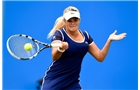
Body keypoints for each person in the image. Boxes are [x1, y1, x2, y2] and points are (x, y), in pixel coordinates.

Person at [42, 6, 127, 90]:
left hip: (72, 83)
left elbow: (100, 57)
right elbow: (55, 56)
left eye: (75, 20)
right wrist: (61, 49)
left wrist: (109, 40)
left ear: (79, 20)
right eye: (69, 20)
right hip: (54, 82)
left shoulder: (85, 35)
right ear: (65, 21)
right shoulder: (59, 34)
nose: (73, 23)